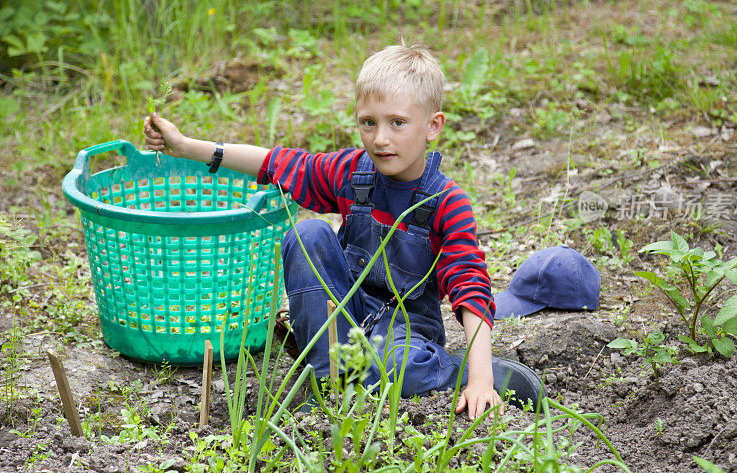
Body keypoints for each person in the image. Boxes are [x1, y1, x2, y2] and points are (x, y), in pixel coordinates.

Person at [143, 44, 544, 420]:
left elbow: (469, 287)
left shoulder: (446, 202)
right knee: (308, 234)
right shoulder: (353, 173)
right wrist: (186, 147)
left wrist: (480, 380)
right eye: (368, 123)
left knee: (401, 366)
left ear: (432, 126)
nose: (380, 139)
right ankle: (328, 379)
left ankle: (448, 369)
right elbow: (278, 163)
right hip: (344, 320)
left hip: (404, 337)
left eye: (397, 123)